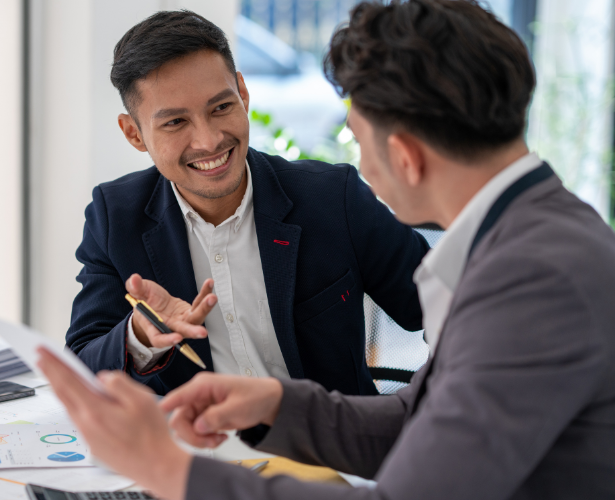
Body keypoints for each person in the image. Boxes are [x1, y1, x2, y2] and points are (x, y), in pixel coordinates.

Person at [39, 1, 615, 498]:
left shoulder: (532, 279)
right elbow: (420, 418)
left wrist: (168, 470)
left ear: (406, 156)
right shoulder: (530, 240)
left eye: (357, 138)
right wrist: (273, 405)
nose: (209, 139)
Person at [67, 10, 429, 396]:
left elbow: (449, 304)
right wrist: (141, 334)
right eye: (175, 123)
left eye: (221, 107)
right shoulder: (115, 217)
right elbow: (82, 366)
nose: (209, 141)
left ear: (242, 93)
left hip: (327, 432)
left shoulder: (332, 197)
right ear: (134, 134)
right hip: (195, 433)